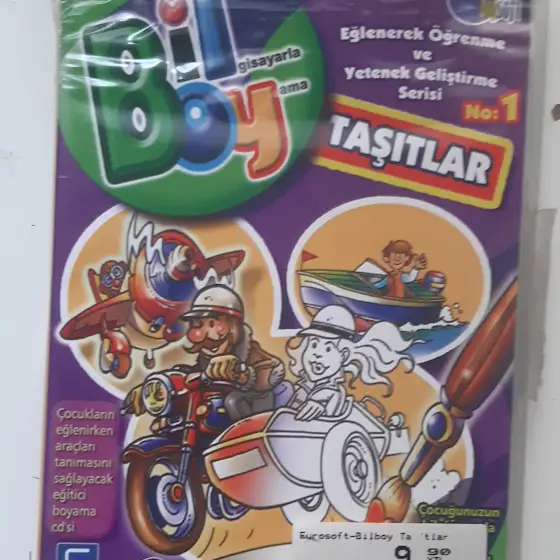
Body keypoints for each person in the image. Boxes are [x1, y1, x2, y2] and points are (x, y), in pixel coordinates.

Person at [286, 305, 414, 421]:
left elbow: (330, 416)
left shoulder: (333, 394)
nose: (317, 354)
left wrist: (320, 403)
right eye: (313, 345)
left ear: (344, 355)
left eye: (328, 349)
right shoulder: (302, 387)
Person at [180, 284, 287, 421]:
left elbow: (273, 369)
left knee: (233, 401)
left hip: (254, 407)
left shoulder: (248, 350)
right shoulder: (203, 358)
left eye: (212, 324)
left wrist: (244, 376)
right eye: (198, 325)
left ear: (234, 325)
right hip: (216, 408)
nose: (206, 335)